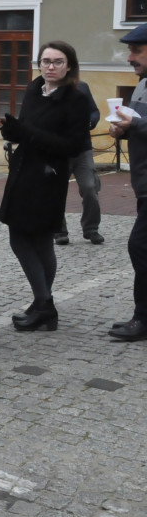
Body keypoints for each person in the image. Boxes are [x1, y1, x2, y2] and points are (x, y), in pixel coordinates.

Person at [0, 41, 89, 332]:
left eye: (57, 62)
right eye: (45, 61)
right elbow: (28, 130)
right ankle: (42, 304)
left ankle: (44, 305)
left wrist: (27, 133)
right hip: (23, 172)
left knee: (33, 239)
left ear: (69, 66)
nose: (50, 67)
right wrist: (14, 132)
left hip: (48, 177)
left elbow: (72, 146)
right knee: (29, 238)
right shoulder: (34, 89)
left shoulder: (76, 99)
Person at [108, 23, 147, 341]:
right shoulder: (142, 84)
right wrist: (122, 128)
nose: (130, 57)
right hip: (143, 185)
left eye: (136, 50)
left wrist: (135, 124)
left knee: (140, 246)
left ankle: (143, 319)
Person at [54, 80, 104, 245]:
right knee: (56, 190)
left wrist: (90, 121)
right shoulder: (42, 89)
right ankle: (59, 230)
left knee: (90, 187)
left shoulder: (82, 87)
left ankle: (91, 229)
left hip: (83, 149)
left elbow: (94, 112)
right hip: (58, 150)